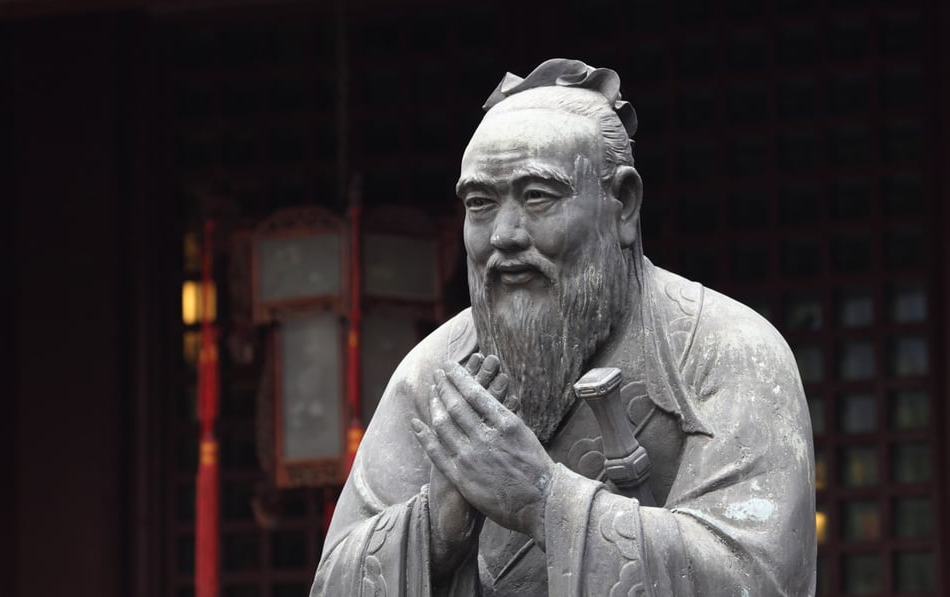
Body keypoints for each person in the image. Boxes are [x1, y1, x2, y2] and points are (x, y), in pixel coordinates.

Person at [311, 59, 816, 596]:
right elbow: (334, 581)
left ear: (622, 204)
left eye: (537, 198)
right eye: (480, 204)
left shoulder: (726, 350)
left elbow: (756, 579)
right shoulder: (435, 376)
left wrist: (545, 500)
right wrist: (434, 528)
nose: (504, 235)